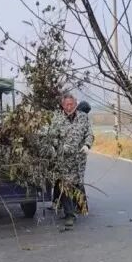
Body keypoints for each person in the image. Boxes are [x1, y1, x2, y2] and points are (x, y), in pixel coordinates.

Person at [48, 93, 93, 227]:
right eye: (67, 105)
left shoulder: (83, 117)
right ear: (63, 106)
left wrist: (87, 145)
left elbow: (89, 133)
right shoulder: (57, 119)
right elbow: (51, 137)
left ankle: (81, 206)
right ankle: (69, 214)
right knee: (65, 183)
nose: (69, 107)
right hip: (64, 159)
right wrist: (60, 146)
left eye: (72, 104)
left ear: (76, 104)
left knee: (77, 183)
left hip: (79, 159)